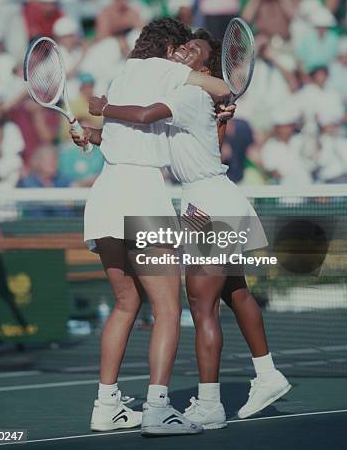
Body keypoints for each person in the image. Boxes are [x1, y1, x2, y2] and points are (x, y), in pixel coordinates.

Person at [79, 29, 291, 427]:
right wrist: (92, 135)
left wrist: (105, 107)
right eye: (183, 45)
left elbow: (143, 116)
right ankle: (267, 374)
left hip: (213, 205)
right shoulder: (181, 93)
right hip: (201, 204)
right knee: (233, 292)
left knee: (201, 303)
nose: (184, 52)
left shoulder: (187, 95)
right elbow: (165, 140)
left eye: (193, 50)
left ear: (204, 67)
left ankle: (212, 401)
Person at [72, 18, 230, 436]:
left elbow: (121, 135)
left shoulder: (121, 74)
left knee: (126, 305)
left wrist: (91, 130)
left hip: (104, 196)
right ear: (169, 48)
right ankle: (159, 409)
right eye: (182, 49)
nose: (184, 55)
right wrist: (208, 85)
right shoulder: (167, 70)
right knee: (167, 309)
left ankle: (106, 406)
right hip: (141, 194)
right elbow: (221, 87)